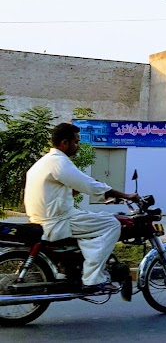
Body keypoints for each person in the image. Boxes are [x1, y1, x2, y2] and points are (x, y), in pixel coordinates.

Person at [24, 123, 139, 293]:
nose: (77, 146)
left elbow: (56, 191)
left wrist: (74, 191)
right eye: (76, 142)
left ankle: (82, 267)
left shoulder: (44, 162)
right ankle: (93, 278)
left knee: (95, 222)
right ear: (65, 143)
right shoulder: (59, 162)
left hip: (44, 218)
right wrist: (126, 195)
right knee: (112, 224)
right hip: (58, 220)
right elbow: (88, 184)